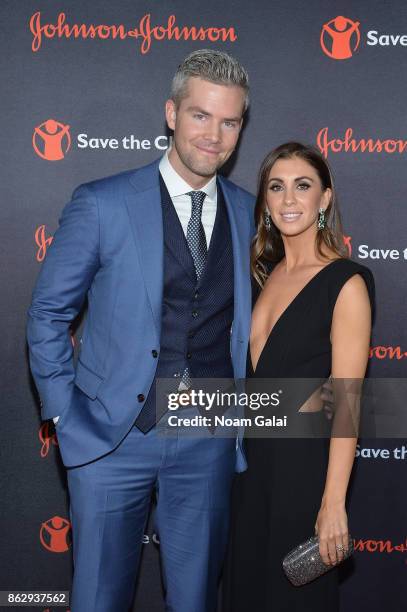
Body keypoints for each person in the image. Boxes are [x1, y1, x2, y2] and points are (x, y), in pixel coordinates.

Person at [26, 50, 255, 612]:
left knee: (196, 599)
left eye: (229, 121)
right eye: (201, 116)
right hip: (111, 439)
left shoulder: (250, 211)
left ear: (241, 128)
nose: (214, 135)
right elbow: (48, 314)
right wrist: (64, 415)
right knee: (99, 598)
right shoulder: (102, 203)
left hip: (207, 439)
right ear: (171, 114)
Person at [222, 142, 374, 611]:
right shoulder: (258, 277)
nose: (289, 200)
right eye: (276, 187)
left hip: (304, 479)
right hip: (247, 478)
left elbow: (347, 404)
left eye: (302, 186)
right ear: (264, 201)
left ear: (324, 199)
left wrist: (332, 503)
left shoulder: (345, 282)